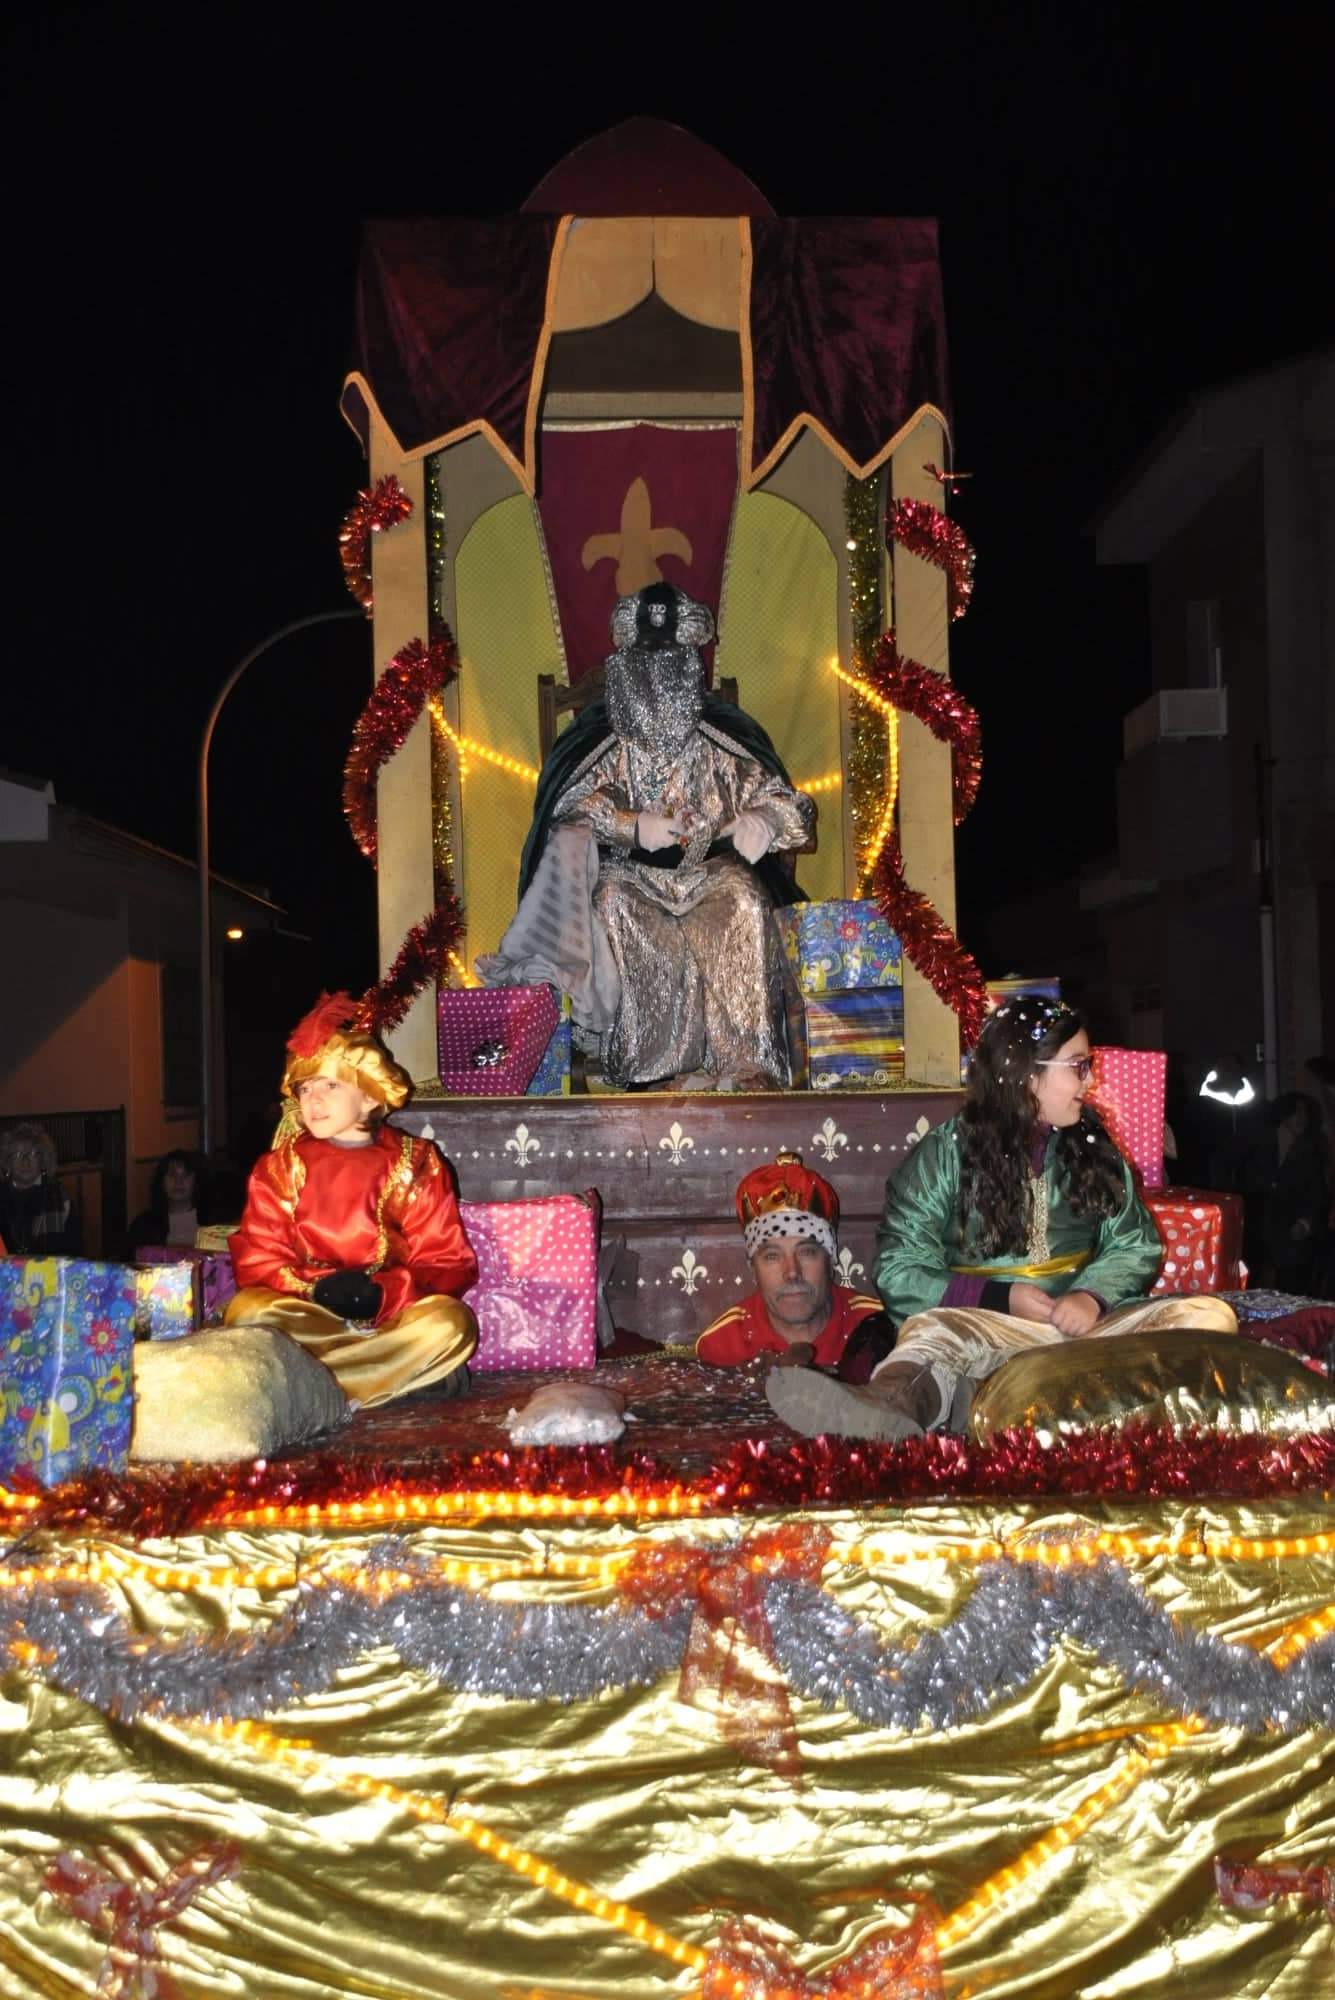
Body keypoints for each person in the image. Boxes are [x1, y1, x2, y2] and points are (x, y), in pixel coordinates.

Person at [766, 996, 1238, 1441]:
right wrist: (998, 1296)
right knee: (933, 1337)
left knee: (1207, 1315)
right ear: (1027, 1075)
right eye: (1078, 1067)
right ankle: (890, 1408)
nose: (1089, 1082)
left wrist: (1092, 1295)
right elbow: (898, 1268)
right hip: (982, 1328)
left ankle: (1003, 1402)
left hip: (1086, 1336)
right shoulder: (944, 1156)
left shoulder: (1094, 1150)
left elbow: (1135, 1243)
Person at [479, 583, 814, 1091]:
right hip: (631, 874)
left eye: (669, 656)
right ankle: (650, 1070)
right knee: (612, 901)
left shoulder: (722, 735)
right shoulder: (601, 739)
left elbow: (791, 805)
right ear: (624, 661)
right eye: (644, 656)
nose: (656, 670)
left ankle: (746, 1065)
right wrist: (631, 826)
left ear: (689, 662)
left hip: (712, 872)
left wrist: (764, 820)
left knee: (745, 899)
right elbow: (566, 812)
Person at [224, 993, 478, 1407]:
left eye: (330, 1085)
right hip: (308, 1316)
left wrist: (381, 1294)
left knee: (452, 1324)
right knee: (247, 1312)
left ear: (372, 1096)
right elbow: (258, 1260)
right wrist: (317, 1290)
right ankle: (393, 1377)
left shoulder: (416, 1162)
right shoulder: (278, 1167)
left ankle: (315, 1383)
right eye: (305, 1089)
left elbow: (446, 1262)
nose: (314, 1100)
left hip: (392, 1318)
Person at [696, 1150, 891, 1369]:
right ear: (752, 1267)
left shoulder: (883, 1330)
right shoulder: (722, 1346)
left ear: (831, 1258)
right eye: (772, 1256)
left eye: (806, 1252)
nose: (792, 1272)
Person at [0, 1122, 78, 1256]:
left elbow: (73, 1249)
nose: (25, 1161)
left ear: (43, 1160)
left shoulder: (60, 1197)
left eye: (33, 1154)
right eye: (18, 1154)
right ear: (8, 1162)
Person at [125, 1149, 214, 1253]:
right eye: (172, 1175)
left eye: (186, 1175)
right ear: (162, 1182)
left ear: (196, 1181)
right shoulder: (143, 1226)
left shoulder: (213, 1223)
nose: (178, 1182)